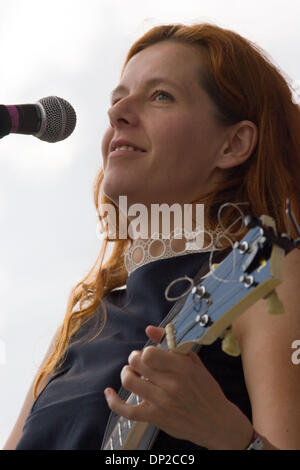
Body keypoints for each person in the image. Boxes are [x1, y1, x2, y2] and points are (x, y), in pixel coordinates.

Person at [4, 22, 300, 451]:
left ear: (233, 145)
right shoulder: (86, 320)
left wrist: (232, 437)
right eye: (118, 98)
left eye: (161, 95)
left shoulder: (266, 275)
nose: (117, 113)